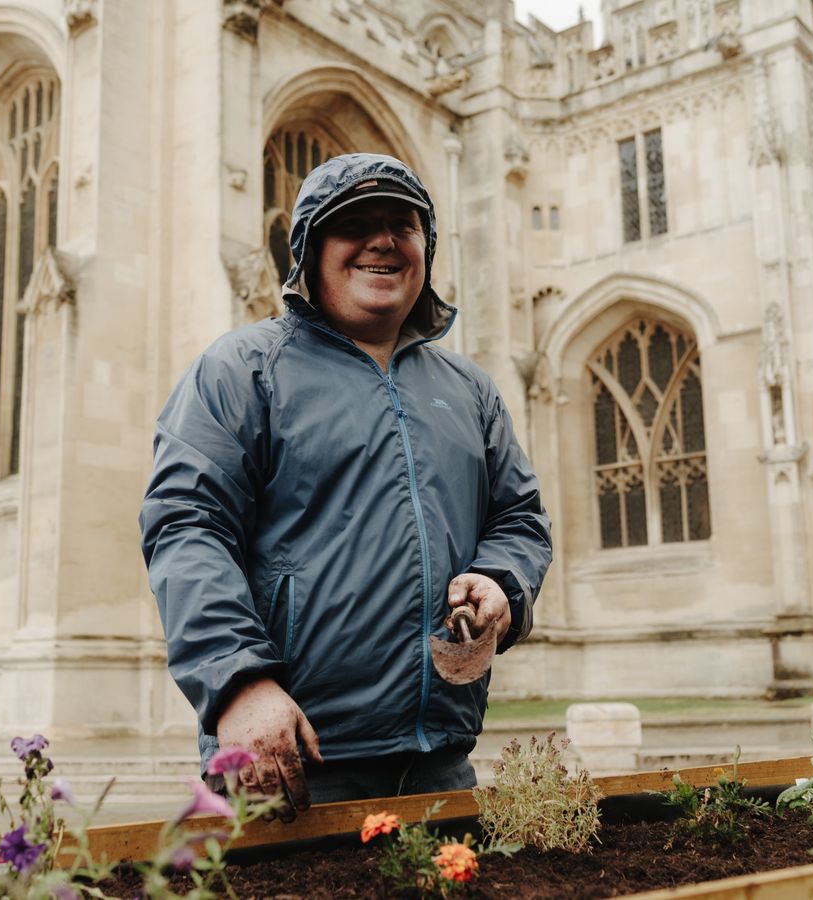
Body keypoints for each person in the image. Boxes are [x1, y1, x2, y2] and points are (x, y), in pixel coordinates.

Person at [140, 153, 552, 821]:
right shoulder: (241, 370)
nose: (383, 239)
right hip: (294, 761)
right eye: (354, 223)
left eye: (402, 224)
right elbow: (187, 528)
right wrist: (239, 684)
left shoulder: (469, 390)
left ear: (425, 249)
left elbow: (519, 518)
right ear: (309, 250)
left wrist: (502, 580)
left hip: (440, 759)